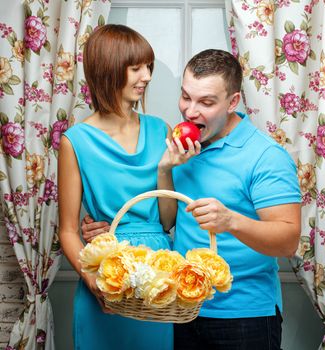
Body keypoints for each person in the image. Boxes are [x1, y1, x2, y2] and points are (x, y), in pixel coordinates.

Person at [82, 49, 301, 350]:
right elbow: (168, 222)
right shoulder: (182, 146)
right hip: (180, 311)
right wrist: (162, 172)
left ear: (233, 102)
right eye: (186, 97)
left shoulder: (265, 156)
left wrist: (231, 221)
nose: (190, 112)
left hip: (243, 316)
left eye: (206, 102)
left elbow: (288, 240)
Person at [58, 24, 191, 350]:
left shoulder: (161, 129)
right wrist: (93, 282)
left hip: (157, 275)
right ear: (108, 70)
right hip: (106, 273)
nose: (146, 76)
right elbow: (68, 231)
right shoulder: (75, 141)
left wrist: (164, 170)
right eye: (136, 68)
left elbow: (167, 221)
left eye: (149, 66)